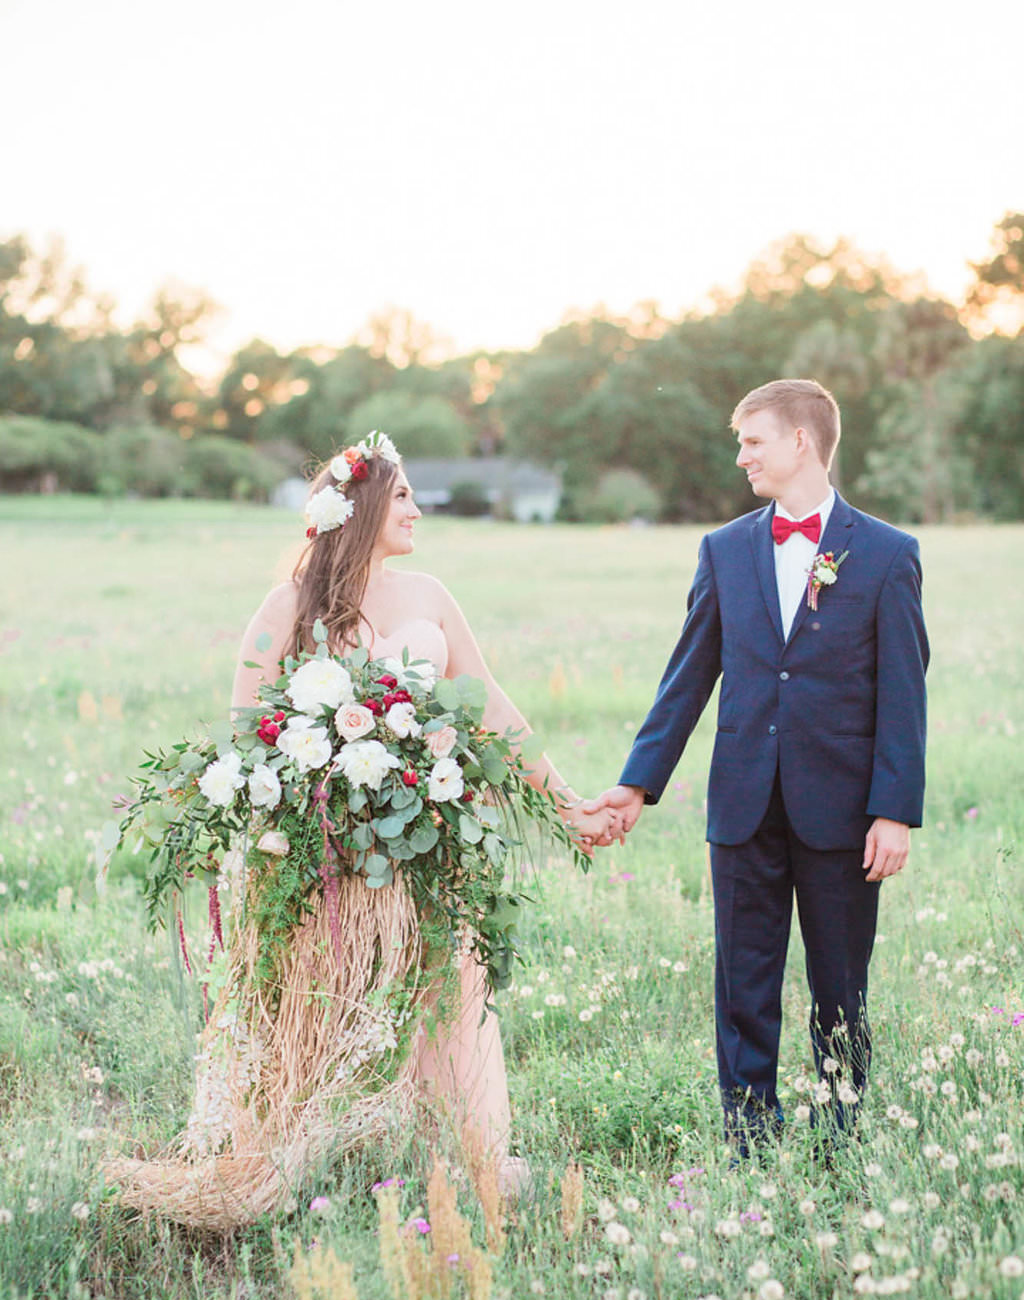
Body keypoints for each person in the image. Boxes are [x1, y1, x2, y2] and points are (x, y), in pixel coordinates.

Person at [109, 432, 611, 1225]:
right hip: (322, 857)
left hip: (426, 844)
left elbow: (495, 711)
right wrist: (314, 800)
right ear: (364, 506)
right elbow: (249, 733)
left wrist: (568, 802)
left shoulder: (432, 597)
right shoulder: (287, 608)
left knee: (447, 992)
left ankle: (468, 1156)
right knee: (306, 1003)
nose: (416, 509)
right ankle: (273, 1157)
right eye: (404, 495)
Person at [590, 379, 929, 1160]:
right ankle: (749, 1135)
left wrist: (893, 811)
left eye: (753, 441)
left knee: (840, 988)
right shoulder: (724, 549)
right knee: (742, 984)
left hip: (844, 813)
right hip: (742, 804)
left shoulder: (887, 555)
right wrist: (638, 782)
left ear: (801, 442)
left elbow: (903, 695)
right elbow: (688, 676)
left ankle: (840, 1137)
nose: (741, 456)